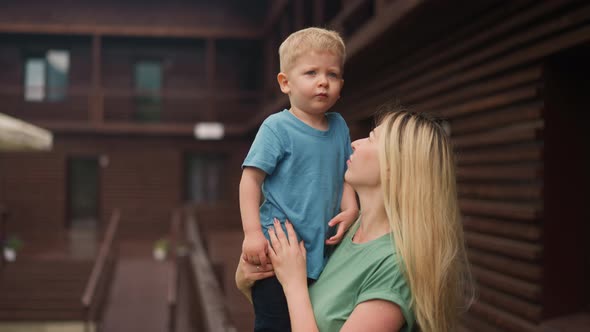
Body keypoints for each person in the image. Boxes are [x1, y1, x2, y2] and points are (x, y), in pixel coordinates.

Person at [237, 109, 475, 332]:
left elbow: (297, 296)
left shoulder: (396, 268)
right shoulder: (344, 229)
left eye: (371, 139)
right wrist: (247, 278)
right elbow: (287, 316)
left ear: (395, 166)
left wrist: (293, 284)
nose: (354, 144)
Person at [239, 27, 359, 331]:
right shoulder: (277, 128)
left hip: (321, 252)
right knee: (275, 324)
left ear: (341, 85)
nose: (323, 81)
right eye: (311, 73)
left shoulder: (339, 126)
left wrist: (352, 208)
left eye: (332, 75)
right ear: (285, 82)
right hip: (278, 250)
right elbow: (250, 181)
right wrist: (252, 233)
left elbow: (345, 174)